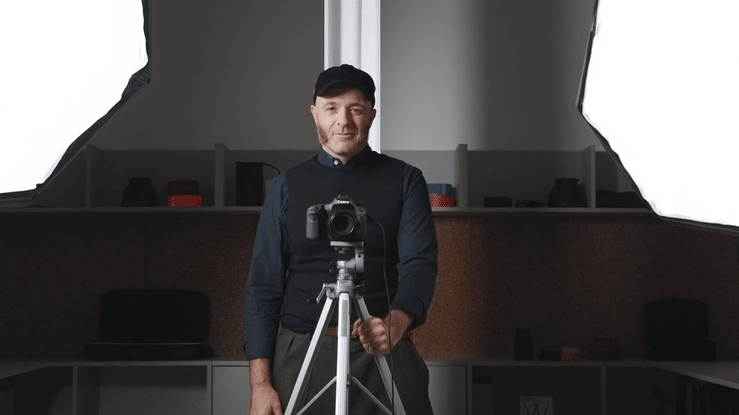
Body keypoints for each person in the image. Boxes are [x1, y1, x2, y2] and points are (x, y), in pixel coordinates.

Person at [245, 64, 438, 415]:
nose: (343, 121)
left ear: (372, 115)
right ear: (314, 113)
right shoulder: (286, 187)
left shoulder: (405, 180)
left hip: (383, 345)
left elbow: (420, 265)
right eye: (331, 108)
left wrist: (395, 324)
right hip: (303, 351)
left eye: (356, 109)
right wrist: (260, 384)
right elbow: (264, 287)